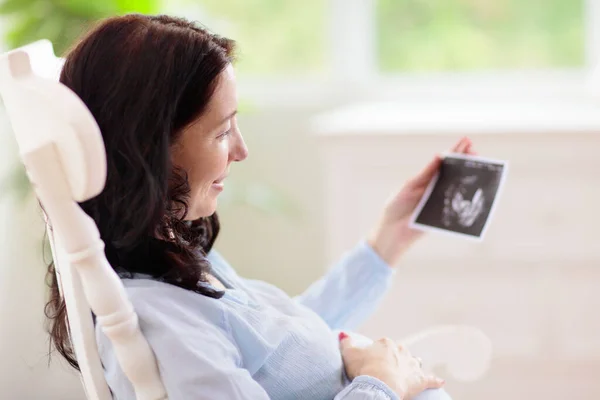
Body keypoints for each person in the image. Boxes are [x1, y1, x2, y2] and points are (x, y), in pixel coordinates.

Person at [44, 14, 476, 400]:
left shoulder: (170, 253)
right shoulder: (166, 326)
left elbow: (282, 343)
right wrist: (382, 383)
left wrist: (388, 239)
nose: (241, 150)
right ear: (151, 151)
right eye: (222, 132)